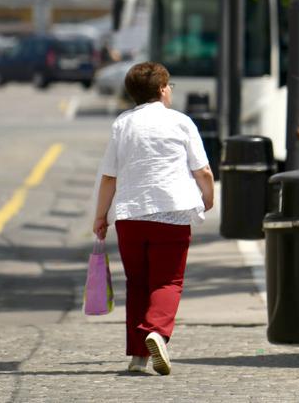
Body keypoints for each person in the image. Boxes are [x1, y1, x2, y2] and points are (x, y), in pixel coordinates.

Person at [92, 62, 214, 376]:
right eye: (169, 85)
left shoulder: (122, 123)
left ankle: (137, 357)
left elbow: (109, 176)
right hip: (172, 211)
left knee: (138, 284)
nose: (171, 89)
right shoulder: (181, 122)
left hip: (131, 215)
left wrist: (101, 215)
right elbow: (203, 171)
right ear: (161, 89)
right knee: (168, 281)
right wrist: (208, 198)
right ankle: (156, 332)